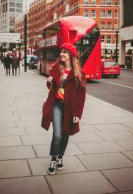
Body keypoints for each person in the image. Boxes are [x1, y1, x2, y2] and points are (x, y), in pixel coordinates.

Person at [41, 42, 86, 175]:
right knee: (57, 134)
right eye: (61, 51)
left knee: (66, 134)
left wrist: (77, 113)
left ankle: (61, 156)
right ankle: (54, 159)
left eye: (65, 52)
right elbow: (52, 88)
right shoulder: (56, 68)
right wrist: (49, 82)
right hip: (57, 104)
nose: (61, 54)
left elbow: (81, 96)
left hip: (70, 107)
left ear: (71, 55)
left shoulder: (79, 73)